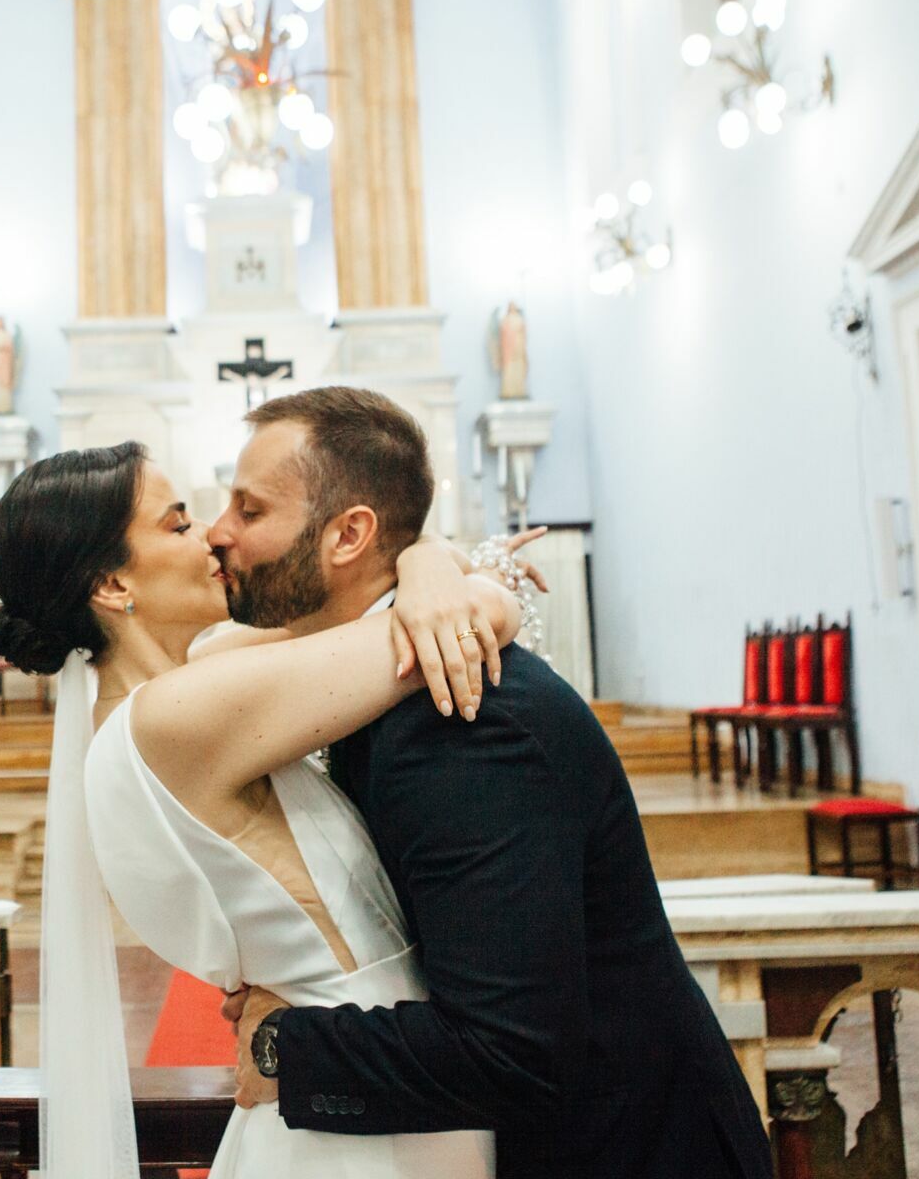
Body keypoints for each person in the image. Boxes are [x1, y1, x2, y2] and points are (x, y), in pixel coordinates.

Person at [214, 387, 774, 1179]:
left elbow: (513, 1052)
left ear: (349, 535)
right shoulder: (363, 685)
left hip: (622, 1150)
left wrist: (284, 1040)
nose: (217, 533)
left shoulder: (460, 722)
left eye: (248, 509)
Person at [0, 435, 525, 1178]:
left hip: (355, 1076)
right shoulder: (175, 717)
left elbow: (375, 605)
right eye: (176, 524)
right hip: (362, 1105)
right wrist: (450, 577)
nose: (210, 535)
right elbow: (460, 626)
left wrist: (426, 561)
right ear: (111, 585)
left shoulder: (163, 699)